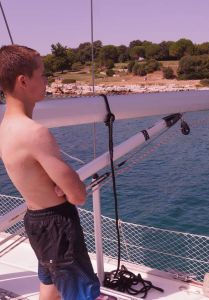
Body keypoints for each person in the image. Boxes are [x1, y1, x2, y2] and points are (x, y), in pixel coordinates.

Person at [0, 45, 100, 299]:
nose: (47, 81)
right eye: (42, 74)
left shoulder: (5, 128)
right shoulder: (35, 133)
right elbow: (77, 195)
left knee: (50, 285)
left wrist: (59, 186)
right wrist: (68, 187)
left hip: (35, 222)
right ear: (23, 81)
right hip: (57, 223)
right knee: (83, 294)